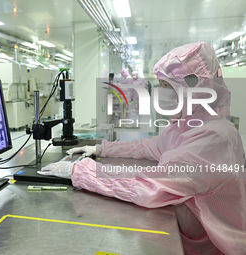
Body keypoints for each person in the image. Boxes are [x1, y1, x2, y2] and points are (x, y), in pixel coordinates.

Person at [38, 41, 246, 254]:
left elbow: (148, 186)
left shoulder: (215, 137)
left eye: (167, 86)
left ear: (194, 89)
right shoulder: (187, 125)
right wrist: (101, 149)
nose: (161, 92)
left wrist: (81, 171)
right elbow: (147, 147)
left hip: (215, 249)